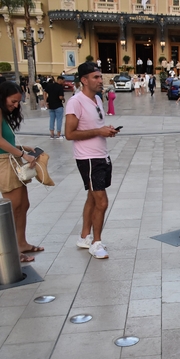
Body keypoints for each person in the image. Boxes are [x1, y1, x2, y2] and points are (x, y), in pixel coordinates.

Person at [65, 62, 120, 259]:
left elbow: (95, 125)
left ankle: (83, 237)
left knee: (92, 197)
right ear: (84, 80)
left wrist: (106, 130)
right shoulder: (75, 102)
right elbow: (69, 133)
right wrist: (99, 131)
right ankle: (96, 242)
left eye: (100, 76)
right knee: (102, 201)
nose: (100, 80)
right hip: (88, 158)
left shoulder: (97, 99)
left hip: (101, 154)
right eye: (96, 77)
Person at [0, 82, 42, 263]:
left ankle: (21, 242)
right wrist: (23, 154)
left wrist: (20, 147)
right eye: (13, 101)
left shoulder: (3, 114)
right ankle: (12, 251)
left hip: (11, 160)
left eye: (18, 102)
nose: (16, 105)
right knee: (13, 208)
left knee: (23, 205)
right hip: (4, 164)